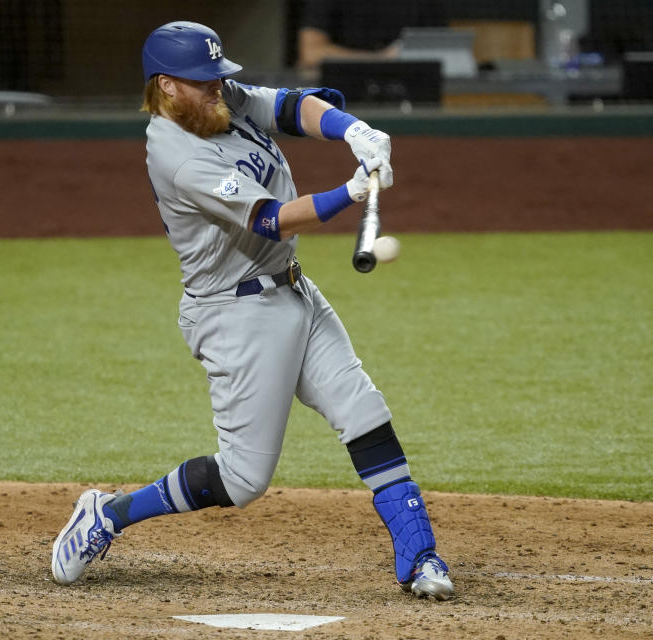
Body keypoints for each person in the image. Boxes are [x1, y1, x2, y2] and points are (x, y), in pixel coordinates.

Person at [50, 20, 453, 601]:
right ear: (166, 86)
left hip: (292, 289)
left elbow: (289, 107)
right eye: (203, 81)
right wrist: (351, 193)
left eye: (219, 77)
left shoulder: (214, 102)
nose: (219, 88)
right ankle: (108, 515)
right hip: (235, 314)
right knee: (242, 480)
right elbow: (269, 218)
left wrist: (354, 131)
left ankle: (422, 558)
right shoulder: (178, 155)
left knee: (363, 412)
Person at [297, 0, 448, 71]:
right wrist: (382, 59)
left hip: (413, 94)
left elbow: (444, 51)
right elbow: (311, 54)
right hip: (343, 95)